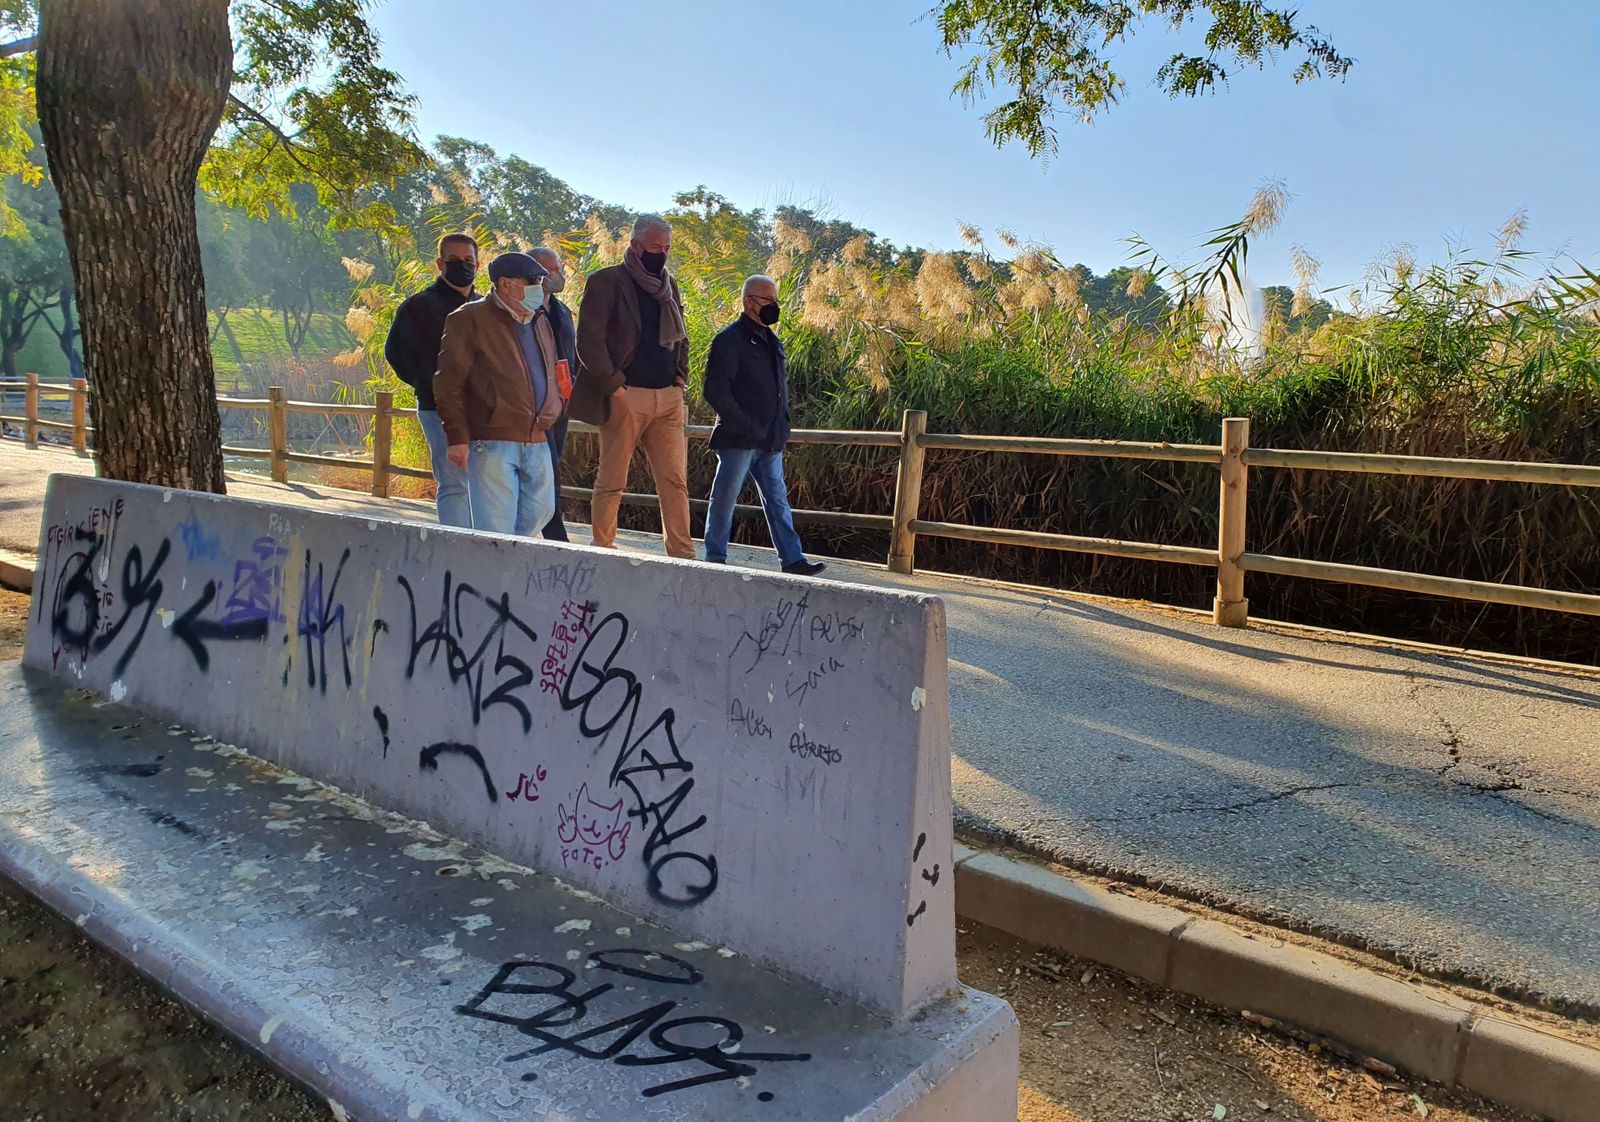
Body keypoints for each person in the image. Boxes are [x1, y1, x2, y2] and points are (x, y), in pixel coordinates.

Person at [570, 215, 694, 559]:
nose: (663, 254)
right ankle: (603, 549)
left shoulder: (670, 285)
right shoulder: (607, 281)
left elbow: (682, 337)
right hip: (627, 395)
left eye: (667, 247)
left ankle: (683, 556)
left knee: (675, 482)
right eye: (656, 247)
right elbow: (589, 341)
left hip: (667, 396)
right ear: (635, 246)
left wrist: (680, 380)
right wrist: (615, 386)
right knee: (612, 479)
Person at [701, 275, 826, 576]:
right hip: (738, 438)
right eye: (767, 300)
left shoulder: (772, 341)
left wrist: (781, 427)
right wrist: (743, 424)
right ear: (748, 301)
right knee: (725, 499)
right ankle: (715, 559)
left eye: (775, 300)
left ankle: (792, 559)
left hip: (770, 438)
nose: (774, 306)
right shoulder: (729, 340)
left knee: (778, 500)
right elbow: (715, 390)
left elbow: (779, 389)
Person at [433, 252, 564, 537]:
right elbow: (448, 382)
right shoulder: (468, 318)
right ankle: (493, 574)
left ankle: (506, 566)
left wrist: (556, 402)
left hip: (538, 435)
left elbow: (553, 369)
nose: (538, 286)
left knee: (543, 511)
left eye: (540, 279)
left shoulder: (539, 319)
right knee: (495, 526)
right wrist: (457, 437)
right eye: (531, 280)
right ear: (505, 284)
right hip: (491, 440)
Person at [383, 232, 478, 527]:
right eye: (453, 260)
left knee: (481, 484)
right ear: (440, 263)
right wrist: (430, 385)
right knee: (453, 483)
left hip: (481, 409)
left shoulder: (484, 306)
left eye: (468, 261)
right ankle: (454, 547)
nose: (461, 266)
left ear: (478, 264)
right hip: (437, 408)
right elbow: (396, 354)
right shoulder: (418, 307)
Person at [529, 246, 576, 542]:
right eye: (550, 270)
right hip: (534, 401)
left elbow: (572, 354)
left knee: (554, 461)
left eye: (558, 268)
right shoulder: (522, 311)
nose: (556, 275)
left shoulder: (563, 312)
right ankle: (553, 529)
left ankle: (549, 523)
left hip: (562, 400)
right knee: (543, 467)